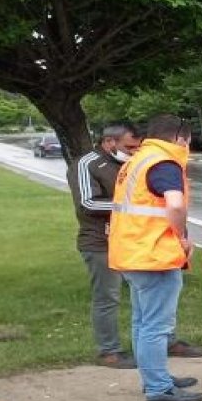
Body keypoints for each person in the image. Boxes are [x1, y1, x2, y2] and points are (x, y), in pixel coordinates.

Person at [108, 115, 202, 401]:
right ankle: (158, 387)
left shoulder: (137, 160)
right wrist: (181, 237)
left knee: (142, 321)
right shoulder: (165, 163)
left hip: (131, 250)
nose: (188, 147)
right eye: (188, 141)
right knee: (156, 325)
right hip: (153, 254)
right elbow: (174, 204)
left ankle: (154, 376)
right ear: (179, 139)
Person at [70, 122, 141, 368]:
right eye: (129, 146)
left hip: (133, 239)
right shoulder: (87, 163)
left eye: (137, 146)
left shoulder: (132, 161)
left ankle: (158, 341)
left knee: (146, 292)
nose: (133, 151)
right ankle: (109, 351)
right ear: (110, 142)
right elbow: (88, 203)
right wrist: (132, 209)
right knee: (107, 297)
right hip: (100, 241)